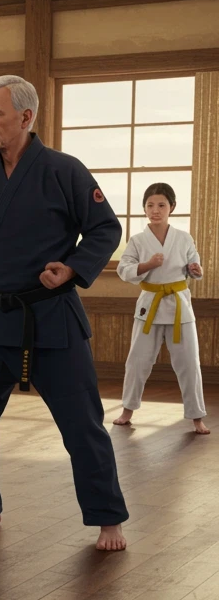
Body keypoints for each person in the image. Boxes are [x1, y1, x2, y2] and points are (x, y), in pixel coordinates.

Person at [0, 75, 128, 551]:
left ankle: (108, 520)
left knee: (81, 422)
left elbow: (105, 229)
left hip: (51, 316)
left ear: (26, 116)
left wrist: (73, 268)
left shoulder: (63, 169)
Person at [112, 183, 207, 434]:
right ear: (144, 208)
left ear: (171, 207)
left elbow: (194, 265)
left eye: (161, 205)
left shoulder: (184, 238)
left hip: (179, 306)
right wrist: (148, 265)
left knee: (189, 363)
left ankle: (197, 416)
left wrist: (195, 269)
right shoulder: (137, 240)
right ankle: (127, 410)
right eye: (150, 205)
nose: (155, 210)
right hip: (149, 306)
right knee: (137, 362)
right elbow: (124, 270)